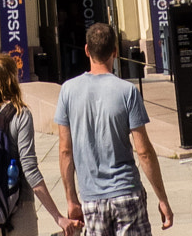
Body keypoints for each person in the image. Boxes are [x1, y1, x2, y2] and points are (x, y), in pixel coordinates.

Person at [55, 22, 172, 236]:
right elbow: (144, 152)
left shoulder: (68, 91)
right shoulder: (127, 91)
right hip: (127, 192)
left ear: (87, 50)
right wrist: (162, 198)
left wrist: (71, 200)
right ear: (115, 52)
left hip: (92, 198)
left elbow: (65, 151)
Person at [0, 52, 74, 235]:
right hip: (18, 208)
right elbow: (30, 169)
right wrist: (58, 217)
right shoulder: (20, 114)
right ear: (13, 78)